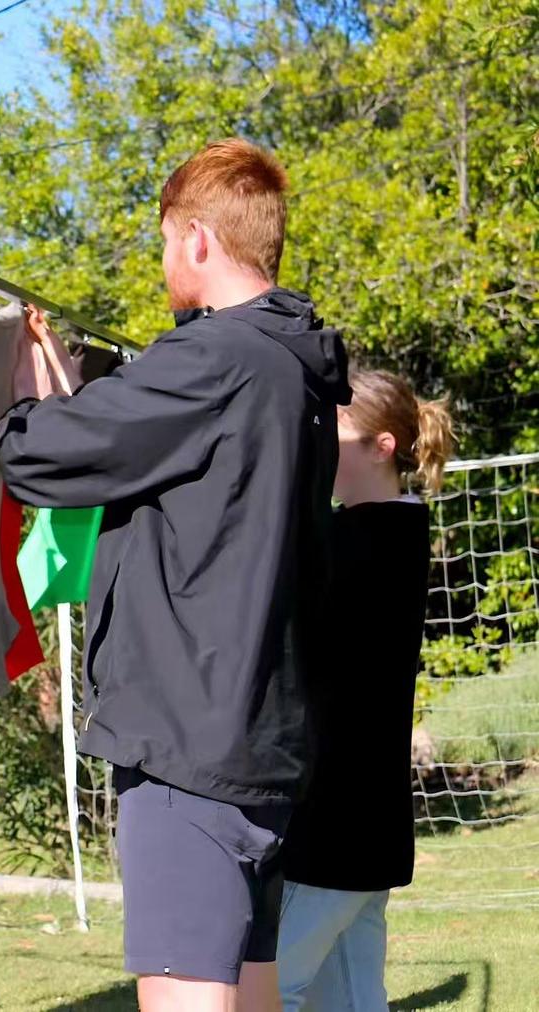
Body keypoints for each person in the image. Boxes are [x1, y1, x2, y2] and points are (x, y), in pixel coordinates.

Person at [0, 137, 352, 1011]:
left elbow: (40, 459)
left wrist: (22, 402)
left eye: (164, 241)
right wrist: (89, 391)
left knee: (188, 998)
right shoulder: (292, 369)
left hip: (188, 749)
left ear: (197, 239)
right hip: (257, 741)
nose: (163, 263)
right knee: (251, 989)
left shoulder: (214, 362)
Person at [276, 371, 454, 1010]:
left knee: (265, 993)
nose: (318, 444)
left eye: (334, 432)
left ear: (382, 447)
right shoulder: (383, 533)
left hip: (333, 828)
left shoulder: (366, 541)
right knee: (350, 1000)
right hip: (361, 828)